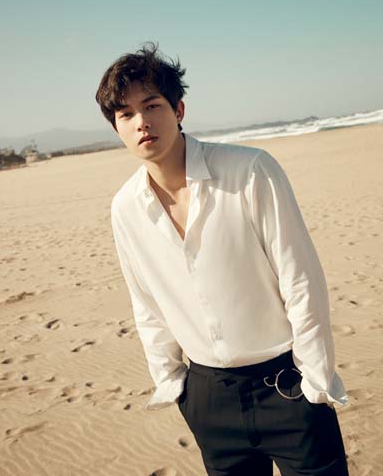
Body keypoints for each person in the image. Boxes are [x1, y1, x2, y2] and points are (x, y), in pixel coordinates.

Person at [95, 42, 349, 476]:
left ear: (178, 109)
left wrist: (315, 383)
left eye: (152, 105)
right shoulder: (125, 207)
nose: (142, 122)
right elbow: (147, 303)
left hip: (288, 386)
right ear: (117, 127)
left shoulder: (250, 171)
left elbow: (300, 279)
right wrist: (174, 385)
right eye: (126, 114)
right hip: (208, 399)